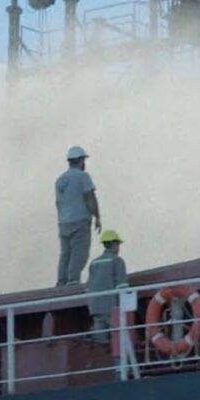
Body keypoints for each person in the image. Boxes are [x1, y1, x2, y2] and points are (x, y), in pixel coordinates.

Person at [56, 145, 101, 286]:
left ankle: (61, 282)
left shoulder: (60, 180)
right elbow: (89, 198)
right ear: (81, 160)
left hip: (64, 222)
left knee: (65, 254)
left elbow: (58, 203)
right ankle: (73, 281)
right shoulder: (83, 177)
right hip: (80, 220)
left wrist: (62, 218)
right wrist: (97, 217)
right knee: (79, 253)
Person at [86, 230, 129, 343]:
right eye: (118, 244)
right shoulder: (117, 261)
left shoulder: (94, 263)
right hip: (112, 308)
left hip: (96, 309)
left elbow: (88, 287)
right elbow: (122, 287)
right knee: (120, 341)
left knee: (102, 343)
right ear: (114, 244)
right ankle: (119, 361)